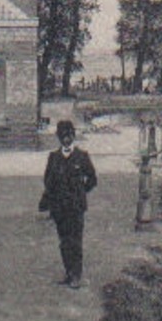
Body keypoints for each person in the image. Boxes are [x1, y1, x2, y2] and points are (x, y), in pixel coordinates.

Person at [39, 119, 98, 289]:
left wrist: (81, 192)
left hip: (76, 207)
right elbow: (48, 180)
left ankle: (76, 275)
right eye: (63, 136)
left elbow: (92, 179)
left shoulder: (82, 156)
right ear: (58, 137)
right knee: (64, 241)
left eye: (69, 136)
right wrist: (53, 198)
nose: (66, 139)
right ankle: (68, 272)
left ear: (74, 136)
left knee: (76, 241)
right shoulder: (54, 157)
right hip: (60, 208)